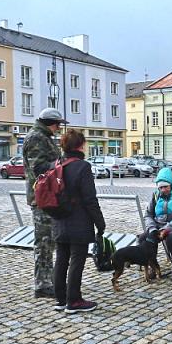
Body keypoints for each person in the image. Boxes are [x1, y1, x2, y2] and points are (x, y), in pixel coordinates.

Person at [53, 129, 106, 313]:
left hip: (59, 219)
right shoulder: (82, 166)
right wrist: (100, 222)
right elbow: (90, 198)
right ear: (80, 145)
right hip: (78, 221)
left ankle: (60, 299)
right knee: (77, 259)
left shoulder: (58, 163)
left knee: (61, 259)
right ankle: (73, 301)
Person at [22, 108, 65, 299]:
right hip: (41, 198)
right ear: (50, 122)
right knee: (45, 242)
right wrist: (60, 165)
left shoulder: (42, 136)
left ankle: (49, 280)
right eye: (58, 124)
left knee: (50, 240)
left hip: (47, 197)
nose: (59, 128)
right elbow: (38, 168)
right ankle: (42, 284)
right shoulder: (36, 137)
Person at [143, 167, 172, 282]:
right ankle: (153, 267)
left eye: (166, 187)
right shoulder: (155, 195)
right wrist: (152, 228)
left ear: (171, 185)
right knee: (144, 238)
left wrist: (167, 228)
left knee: (171, 238)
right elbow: (148, 215)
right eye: (161, 187)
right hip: (158, 226)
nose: (163, 190)